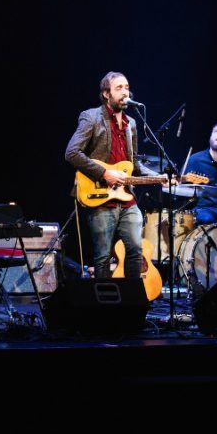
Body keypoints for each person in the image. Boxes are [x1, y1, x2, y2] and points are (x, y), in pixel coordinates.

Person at [64, 72, 156, 279]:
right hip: (100, 196)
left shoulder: (131, 123)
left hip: (126, 198)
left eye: (126, 87)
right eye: (119, 88)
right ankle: (104, 307)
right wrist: (104, 173)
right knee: (103, 257)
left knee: (135, 252)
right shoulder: (91, 117)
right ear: (106, 94)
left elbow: (134, 164)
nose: (125, 92)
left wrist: (162, 177)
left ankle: (132, 303)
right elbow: (71, 152)